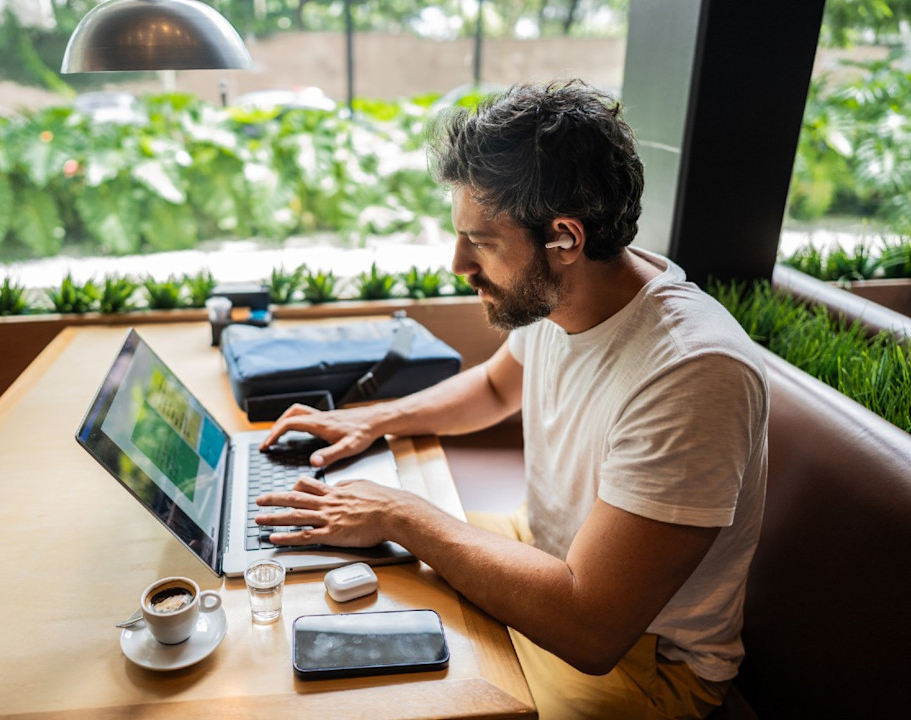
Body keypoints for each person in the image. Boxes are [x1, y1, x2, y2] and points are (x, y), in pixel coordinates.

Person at [255, 81, 768, 720]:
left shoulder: (692, 372)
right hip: (543, 554)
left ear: (565, 238)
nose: (457, 264)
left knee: (385, 693)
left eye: (481, 242)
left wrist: (403, 515)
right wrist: (368, 421)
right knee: (325, 571)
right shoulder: (568, 297)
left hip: (646, 663)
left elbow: (591, 628)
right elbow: (497, 386)